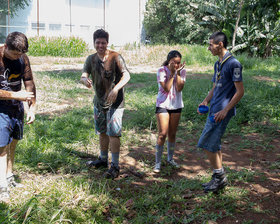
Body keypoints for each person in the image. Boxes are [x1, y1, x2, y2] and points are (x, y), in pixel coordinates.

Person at [197, 31, 244, 193]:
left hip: (222, 111)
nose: (208, 48)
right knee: (214, 145)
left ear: (220, 45)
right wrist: (206, 101)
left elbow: (240, 92)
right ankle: (218, 178)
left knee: (206, 143)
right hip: (214, 108)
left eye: (211, 45)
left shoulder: (234, 64)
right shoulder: (218, 63)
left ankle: (219, 177)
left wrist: (225, 110)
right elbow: (215, 86)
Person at [80, 29, 130, 179]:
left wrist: (116, 89)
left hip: (115, 102)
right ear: (94, 43)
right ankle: (103, 159)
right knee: (102, 132)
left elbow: (127, 75)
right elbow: (84, 74)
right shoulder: (91, 59)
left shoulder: (115, 57)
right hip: (99, 102)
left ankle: (115, 165)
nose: (100, 45)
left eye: (103, 42)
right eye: (98, 42)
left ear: (107, 43)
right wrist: (84, 80)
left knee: (114, 133)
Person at [0, 32, 36, 202]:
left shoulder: (23, 58)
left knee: (13, 143)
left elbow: (29, 82)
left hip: (16, 107)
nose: (18, 58)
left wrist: (32, 108)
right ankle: (2, 187)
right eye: (15, 54)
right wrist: (16, 96)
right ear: (6, 47)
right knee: (1, 148)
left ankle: (9, 176)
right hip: (1, 108)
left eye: (21, 54)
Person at [154, 50, 186, 173]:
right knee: (163, 133)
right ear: (169, 61)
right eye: (174, 62)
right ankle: (157, 163)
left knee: (172, 134)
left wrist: (177, 73)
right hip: (163, 104)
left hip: (176, 105)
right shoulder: (161, 70)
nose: (176, 65)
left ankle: (170, 159)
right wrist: (172, 74)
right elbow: (167, 88)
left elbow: (179, 88)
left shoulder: (182, 71)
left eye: (178, 63)